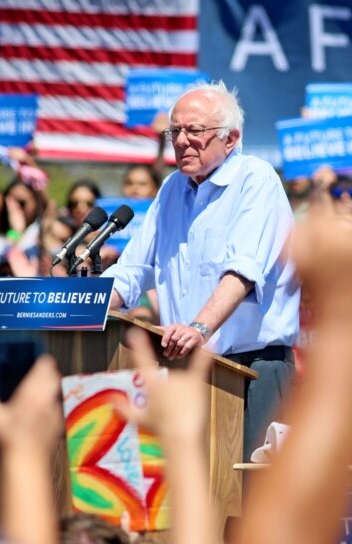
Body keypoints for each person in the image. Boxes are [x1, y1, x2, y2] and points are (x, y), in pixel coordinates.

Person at [101, 81, 299, 455]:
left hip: (252, 373)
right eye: (174, 131)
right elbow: (131, 272)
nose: (180, 141)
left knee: (252, 504)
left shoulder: (255, 180)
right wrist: (77, 305)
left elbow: (243, 272)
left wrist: (199, 327)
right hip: (184, 370)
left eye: (194, 131)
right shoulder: (171, 189)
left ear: (230, 138)